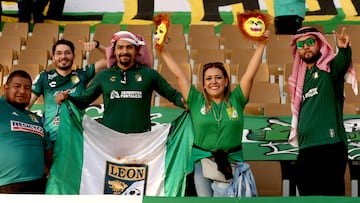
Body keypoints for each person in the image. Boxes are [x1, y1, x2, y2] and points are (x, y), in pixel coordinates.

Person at [158, 30, 271, 196]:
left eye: (218, 77)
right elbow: (179, 76)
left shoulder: (237, 99)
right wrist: (162, 50)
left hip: (232, 163)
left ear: (226, 81)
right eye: (209, 79)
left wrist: (261, 45)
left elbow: (250, 75)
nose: (213, 82)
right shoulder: (196, 101)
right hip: (201, 163)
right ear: (203, 84)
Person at [55, 31, 184, 133]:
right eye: (120, 47)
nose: (124, 51)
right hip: (109, 141)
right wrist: (67, 98)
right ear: (114, 51)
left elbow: (173, 95)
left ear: (137, 50)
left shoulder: (150, 74)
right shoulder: (103, 76)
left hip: (142, 141)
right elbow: (82, 102)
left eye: (129, 47)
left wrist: (189, 103)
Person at [288, 26, 355, 196]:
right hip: (306, 149)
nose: (306, 47)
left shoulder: (329, 68)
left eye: (310, 42)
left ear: (319, 43)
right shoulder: (299, 80)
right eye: (301, 44)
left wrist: (343, 49)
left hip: (330, 147)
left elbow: (342, 63)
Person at [28, 39, 107, 143]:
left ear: (74, 56)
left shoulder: (82, 74)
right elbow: (26, 105)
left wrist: (97, 44)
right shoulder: (44, 77)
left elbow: (111, 59)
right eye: (59, 53)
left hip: (77, 137)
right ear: (53, 57)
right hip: (51, 138)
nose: (63, 57)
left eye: (67, 53)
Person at [0, 70, 53, 194]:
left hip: (39, 185)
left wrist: (50, 169)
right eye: (17, 86)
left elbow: (47, 147)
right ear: (5, 88)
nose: (22, 91)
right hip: (8, 186)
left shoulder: (36, 118)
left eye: (27, 88)